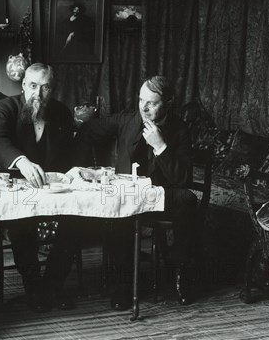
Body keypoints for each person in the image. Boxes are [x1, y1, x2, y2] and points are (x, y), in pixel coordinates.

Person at [73, 76, 197, 308]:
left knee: (188, 200)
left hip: (158, 195)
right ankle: (124, 285)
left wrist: (161, 146)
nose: (144, 107)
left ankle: (181, 277)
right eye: (141, 100)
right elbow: (89, 129)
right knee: (116, 209)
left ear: (168, 102)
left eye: (152, 102)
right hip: (127, 195)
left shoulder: (180, 130)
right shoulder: (127, 119)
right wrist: (83, 167)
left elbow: (182, 179)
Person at [0, 63, 79, 312]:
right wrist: (22, 161)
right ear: (23, 85)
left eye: (45, 87)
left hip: (50, 189)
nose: (38, 94)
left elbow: (69, 155)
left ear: (52, 89)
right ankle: (34, 290)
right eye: (33, 86)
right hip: (14, 187)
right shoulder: (5, 108)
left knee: (76, 221)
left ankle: (52, 286)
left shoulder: (61, 112)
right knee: (21, 224)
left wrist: (74, 171)